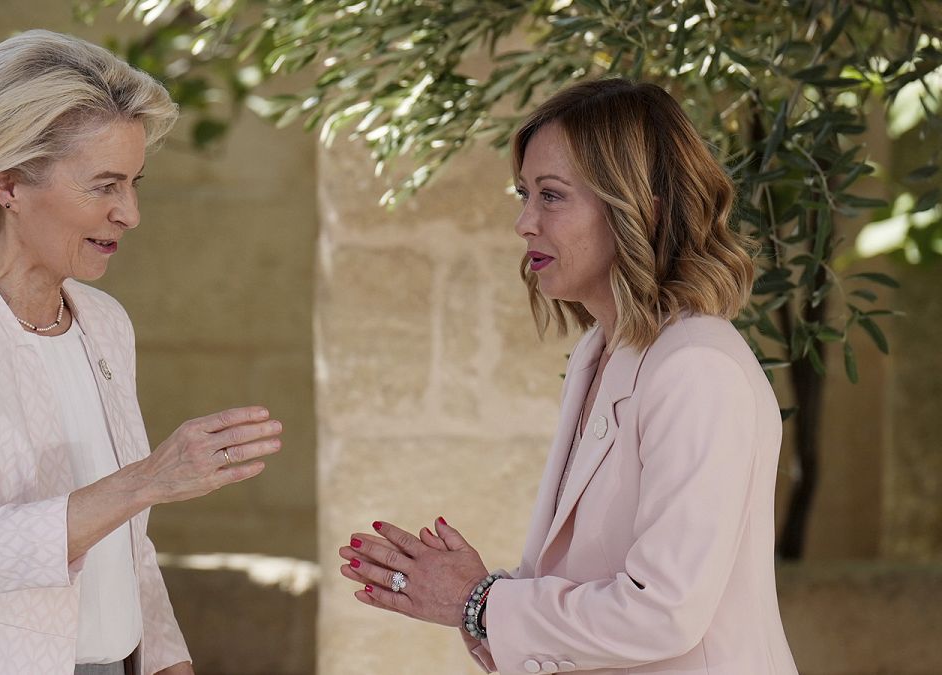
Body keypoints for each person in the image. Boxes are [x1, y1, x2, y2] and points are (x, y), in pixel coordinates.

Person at [338, 78, 799, 674]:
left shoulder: (697, 370)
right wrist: (474, 602)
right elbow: (586, 580)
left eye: (551, 196)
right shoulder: (597, 353)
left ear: (642, 207)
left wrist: (479, 602)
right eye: (524, 194)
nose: (524, 223)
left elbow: (664, 612)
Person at [0, 30, 283, 675]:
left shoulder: (104, 322)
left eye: (134, 183)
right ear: (8, 185)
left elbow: (128, 543)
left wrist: (169, 663)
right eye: (104, 186)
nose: (130, 213)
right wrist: (152, 477)